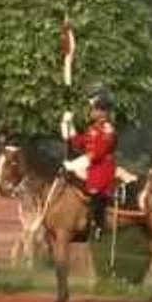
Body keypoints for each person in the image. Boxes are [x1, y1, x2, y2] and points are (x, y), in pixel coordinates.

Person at [61, 89, 117, 241]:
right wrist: (68, 125)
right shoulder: (93, 128)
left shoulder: (107, 130)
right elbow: (77, 144)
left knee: (95, 193)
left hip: (102, 171)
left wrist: (73, 165)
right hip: (91, 169)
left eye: (93, 108)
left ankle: (96, 227)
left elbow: (96, 154)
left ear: (102, 111)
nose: (90, 111)